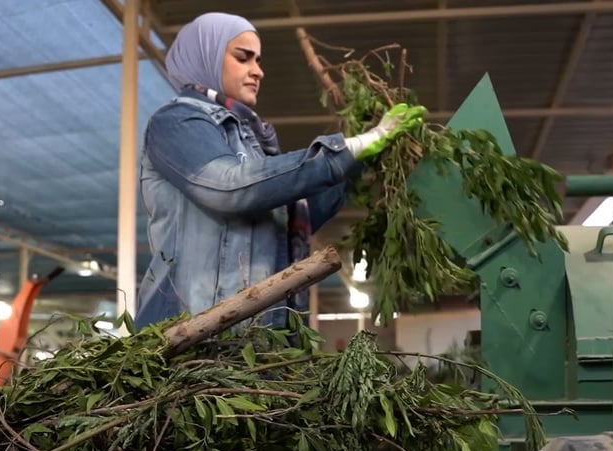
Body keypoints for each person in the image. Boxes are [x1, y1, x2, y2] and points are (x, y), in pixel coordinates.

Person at [133, 12, 425, 330]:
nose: (257, 71)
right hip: (190, 336)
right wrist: (351, 146)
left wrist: (357, 161)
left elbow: (294, 217)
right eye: (243, 58)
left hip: (257, 339)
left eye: (258, 60)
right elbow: (230, 188)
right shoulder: (176, 122)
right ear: (206, 56)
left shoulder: (253, 140)